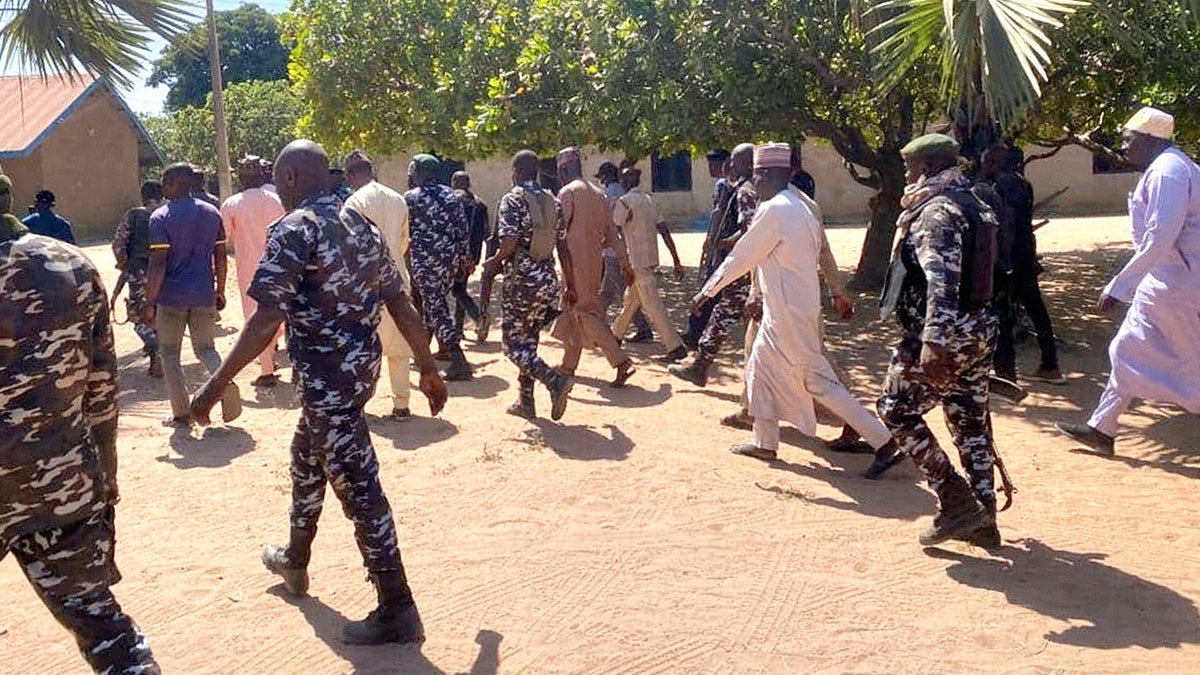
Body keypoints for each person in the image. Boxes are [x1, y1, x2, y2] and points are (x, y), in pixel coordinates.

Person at [190, 140, 448, 645]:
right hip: (355, 375)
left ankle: (397, 606)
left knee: (361, 491)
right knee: (305, 459)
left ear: (288, 179)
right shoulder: (362, 225)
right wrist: (429, 366)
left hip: (329, 383)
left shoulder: (295, 229)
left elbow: (266, 318)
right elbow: (400, 301)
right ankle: (295, 557)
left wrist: (216, 384)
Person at [1, 173, 161, 674]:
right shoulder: (69, 264)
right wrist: (103, 479)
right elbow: (101, 389)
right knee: (105, 630)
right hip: (62, 483)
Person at [692, 143, 897, 466]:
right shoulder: (798, 205)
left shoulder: (776, 209)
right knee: (759, 369)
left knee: (819, 382)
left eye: (758, 174)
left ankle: (883, 441)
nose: (753, 180)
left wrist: (708, 291)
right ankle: (765, 441)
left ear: (774, 174)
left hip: (788, 314)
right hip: (788, 310)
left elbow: (744, 255)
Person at [876, 133, 1002, 548]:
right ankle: (983, 520)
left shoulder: (936, 212)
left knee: (895, 408)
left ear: (928, 167)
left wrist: (934, 340)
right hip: (980, 330)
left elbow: (941, 282)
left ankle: (953, 497)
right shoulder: (977, 204)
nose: (907, 177)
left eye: (911, 169)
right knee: (969, 421)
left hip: (947, 334)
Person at [1057, 107, 1200, 456]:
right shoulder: (1169, 167)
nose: (1123, 146)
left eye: (1128, 139)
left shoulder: (1169, 172)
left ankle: (1104, 427)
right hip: (1165, 280)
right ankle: (1102, 428)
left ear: (1150, 138)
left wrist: (1119, 288)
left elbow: (1159, 236)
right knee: (1125, 349)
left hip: (1176, 282)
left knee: (1188, 363)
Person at [482, 150, 576, 419]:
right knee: (529, 341)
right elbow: (563, 248)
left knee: (512, 347)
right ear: (536, 172)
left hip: (522, 282)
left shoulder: (511, 200)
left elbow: (509, 242)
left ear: (515, 171)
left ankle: (554, 381)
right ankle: (526, 402)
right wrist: (570, 285)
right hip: (548, 280)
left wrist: (495, 261)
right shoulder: (553, 201)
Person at [146, 162, 241, 427]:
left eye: (166, 182)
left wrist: (149, 300)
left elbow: (158, 264)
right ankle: (226, 383)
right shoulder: (212, 213)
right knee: (206, 349)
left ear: (176, 184)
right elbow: (220, 256)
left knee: (169, 353)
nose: (163, 187)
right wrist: (220, 290)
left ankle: (181, 414)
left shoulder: (160, 217)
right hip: (203, 293)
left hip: (171, 297)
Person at [669, 143, 758, 386]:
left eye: (736, 161)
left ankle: (701, 365)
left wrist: (720, 245)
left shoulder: (747, 191)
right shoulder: (754, 188)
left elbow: (749, 232)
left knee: (726, 314)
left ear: (747, 164)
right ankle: (700, 365)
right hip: (752, 268)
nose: (731, 166)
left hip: (746, 269)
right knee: (729, 316)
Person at [549, 147, 639, 386]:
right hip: (594, 264)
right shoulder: (599, 194)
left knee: (583, 313)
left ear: (565, 168)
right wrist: (625, 264)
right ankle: (568, 365)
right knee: (575, 311)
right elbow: (612, 235)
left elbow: (558, 235)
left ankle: (621, 362)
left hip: (574, 263)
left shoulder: (567, 193)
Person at [979, 145, 1063, 385]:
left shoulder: (1003, 186)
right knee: (1035, 309)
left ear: (994, 162)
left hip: (1011, 260)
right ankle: (1050, 365)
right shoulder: (1022, 183)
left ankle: (1007, 374)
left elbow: (1008, 226)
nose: (983, 168)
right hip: (1024, 256)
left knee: (1002, 314)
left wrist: (1002, 262)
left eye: (986, 163)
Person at [344, 150, 416, 420]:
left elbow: (351, 249)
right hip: (396, 279)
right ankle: (402, 404)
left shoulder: (353, 203)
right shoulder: (397, 198)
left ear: (352, 175)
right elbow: (403, 241)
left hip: (365, 286)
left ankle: (360, 403)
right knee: (398, 347)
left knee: (363, 346)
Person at [405, 154, 473, 380]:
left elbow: (405, 234)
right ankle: (424, 352)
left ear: (420, 171)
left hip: (426, 264)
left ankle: (458, 357)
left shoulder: (412, 198)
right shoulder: (451, 196)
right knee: (434, 305)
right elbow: (463, 231)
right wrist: (464, 259)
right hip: (449, 263)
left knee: (435, 309)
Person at [221, 155, 287, 387]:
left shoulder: (231, 204)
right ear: (261, 175)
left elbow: (223, 237)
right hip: (281, 266)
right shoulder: (277, 199)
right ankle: (290, 363)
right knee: (285, 312)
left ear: (239, 177)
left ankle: (267, 370)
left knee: (254, 318)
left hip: (249, 270)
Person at [611, 166, 688, 361]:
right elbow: (664, 231)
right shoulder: (649, 201)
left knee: (653, 306)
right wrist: (676, 260)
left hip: (635, 262)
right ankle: (614, 337)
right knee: (630, 302)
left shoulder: (624, 202)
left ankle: (675, 346)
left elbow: (615, 234)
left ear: (625, 182)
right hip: (649, 261)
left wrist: (623, 262)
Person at [112, 180, 164, 377]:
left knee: (140, 316)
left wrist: (123, 264)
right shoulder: (168, 213)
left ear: (143, 196)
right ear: (162, 195)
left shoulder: (134, 215)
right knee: (165, 314)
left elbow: (118, 243)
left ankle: (153, 346)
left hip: (139, 273)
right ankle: (162, 354)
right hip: (168, 274)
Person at [596, 160, 652, 340]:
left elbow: (610, 224)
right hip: (623, 247)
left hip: (612, 250)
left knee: (623, 292)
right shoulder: (623, 192)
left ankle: (643, 328)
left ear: (605, 177)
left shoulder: (607, 195)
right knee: (606, 292)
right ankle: (595, 324)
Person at [450, 171, 487, 337]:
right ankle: (458, 329)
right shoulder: (480, 204)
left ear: (455, 183)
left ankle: (478, 317)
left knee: (456, 290)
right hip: (473, 254)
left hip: (457, 254)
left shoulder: (454, 201)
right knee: (460, 287)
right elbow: (484, 232)